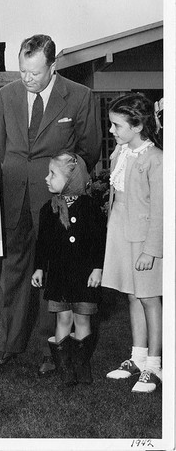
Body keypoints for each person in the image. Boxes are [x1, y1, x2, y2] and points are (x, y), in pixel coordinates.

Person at [0, 34, 102, 373]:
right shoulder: (5, 95)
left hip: (55, 200)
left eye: (35, 72)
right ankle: (8, 344)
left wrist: (60, 182)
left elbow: (89, 151)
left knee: (54, 270)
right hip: (14, 195)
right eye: (23, 71)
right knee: (13, 268)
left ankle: (50, 347)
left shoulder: (80, 96)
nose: (27, 79)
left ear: (53, 66)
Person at [102, 93, 163, 393]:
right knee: (132, 295)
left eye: (117, 125)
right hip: (121, 231)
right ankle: (137, 358)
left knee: (150, 299)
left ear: (138, 125)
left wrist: (151, 250)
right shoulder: (121, 152)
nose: (112, 131)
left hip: (143, 239)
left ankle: (154, 365)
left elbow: (161, 210)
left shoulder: (156, 159)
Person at [31, 152, 106, 385]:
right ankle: (65, 368)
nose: (47, 178)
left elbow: (99, 241)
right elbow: (41, 243)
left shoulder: (90, 208)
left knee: (82, 320)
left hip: (84, 278)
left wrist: (97, 268)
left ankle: (81, 364)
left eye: (53, 174)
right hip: (60, 278)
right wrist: (39, 268)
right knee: (63, 319)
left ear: (72, 179)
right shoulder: (48, 209)